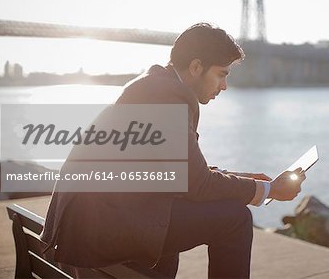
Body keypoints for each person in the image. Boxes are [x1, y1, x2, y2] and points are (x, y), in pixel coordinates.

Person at [41, 23, 306, 278]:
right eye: (222, 74)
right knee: (234, 219)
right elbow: (197, 184)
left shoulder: (154, 86)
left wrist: (243, 180)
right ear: (196, 67)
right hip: (98, 226)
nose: (224, 86)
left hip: (91, 220)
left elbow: (182, 173)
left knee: (177, 211)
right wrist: (269, 191)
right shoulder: (167, 96)